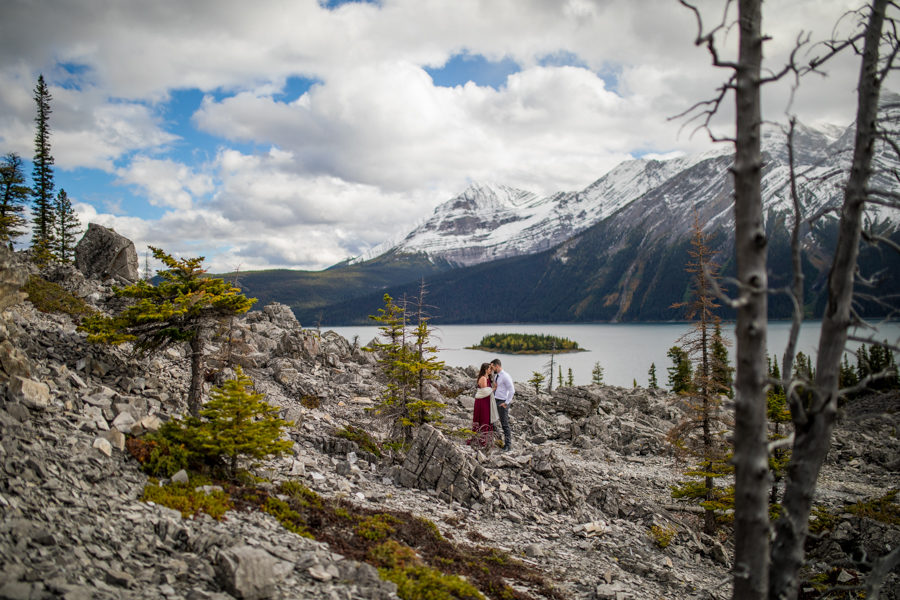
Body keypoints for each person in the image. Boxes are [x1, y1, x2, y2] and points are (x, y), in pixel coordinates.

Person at [467, 363, 494, 448]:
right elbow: (485, 392)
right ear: (486, 370)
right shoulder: (483, 378)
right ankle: (482, 441)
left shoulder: (487, 378)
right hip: (482, 402)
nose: (491, 370)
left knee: (486, 418)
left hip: (486, 401)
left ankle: (485, 439)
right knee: (483, 418)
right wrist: (494, 388)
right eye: (490, 369)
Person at [491, 358, 514, 451]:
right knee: (492, 419)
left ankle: (508, 445)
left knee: (504, 423)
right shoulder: (497, 376)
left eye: (493, 367)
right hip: (496, 400)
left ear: (497, 366)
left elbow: (512, 390)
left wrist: (506, 403)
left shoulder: (505, 376)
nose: (492, 369)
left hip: (503, 401)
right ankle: (496, 439)